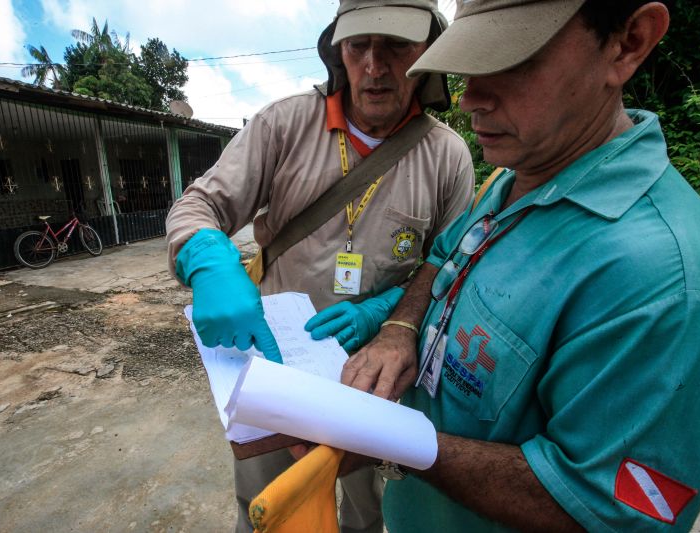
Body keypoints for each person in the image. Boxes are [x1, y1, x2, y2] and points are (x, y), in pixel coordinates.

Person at [335, 0, 700, 531]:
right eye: (470, 67)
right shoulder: (511, 178)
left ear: (628, 42)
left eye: (513, 62)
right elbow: (445, 256)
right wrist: (398, 330)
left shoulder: (666, 279)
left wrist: (394, 442)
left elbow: (605, 509)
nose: (470, 99)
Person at [165, 1, 475, 530]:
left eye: (396, 46)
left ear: (429, 52)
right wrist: (208, 260)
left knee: (371, 512)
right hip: (271, 368)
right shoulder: (283, 125)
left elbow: (449, 268)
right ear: (338, 52)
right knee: (269, 508)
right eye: (358, 47)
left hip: (375, 379)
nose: (375, 67)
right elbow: (199, 205)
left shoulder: (448, 156)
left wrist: (383, 313)